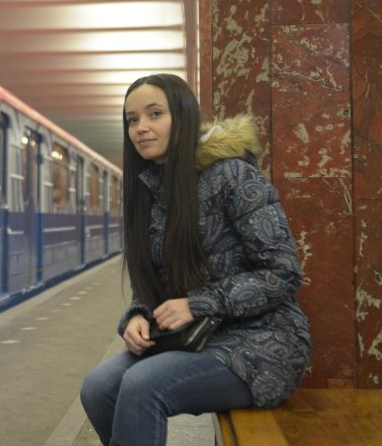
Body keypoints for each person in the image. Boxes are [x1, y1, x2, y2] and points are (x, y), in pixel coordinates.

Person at [80, 74, 312, 446]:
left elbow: (283, 273)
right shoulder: (151, 190)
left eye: (155, 114)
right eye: (132, 119)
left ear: (184, 116)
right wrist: (138, 315)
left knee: (142, 385)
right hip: (195, 339)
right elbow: (159, 282)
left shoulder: (233, 176)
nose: (141, 128)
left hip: (262, 343)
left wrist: (199, 304)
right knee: (98, 386)